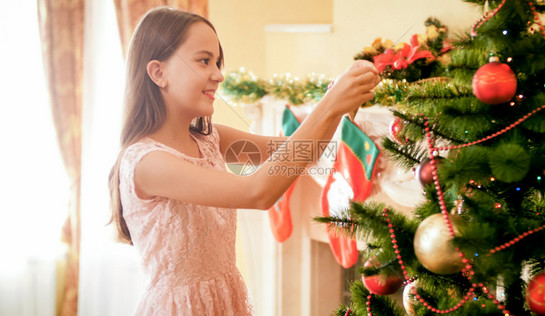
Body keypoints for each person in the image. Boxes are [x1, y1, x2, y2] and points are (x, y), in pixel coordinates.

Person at [108, 6, 380, 316]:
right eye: (204, 60)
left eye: (217, 62)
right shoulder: (148, 163)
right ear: (159, 73)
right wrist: (330, 106)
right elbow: (257, 191)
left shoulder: (211, 139)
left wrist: (337, 106)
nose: (219, 75)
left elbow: (303, 153)